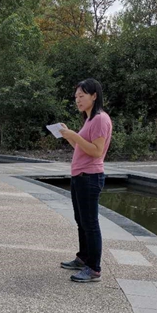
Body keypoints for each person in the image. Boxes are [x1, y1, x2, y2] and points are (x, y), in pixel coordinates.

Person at [59, 78, 113, 283]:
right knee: (81, 220)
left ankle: (94, 268)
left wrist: (74, 135)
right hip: (80, 176)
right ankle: (83, 258)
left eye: (81, 96)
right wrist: (69, 136)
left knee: (90, 223)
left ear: (94, 96)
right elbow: (82, 148)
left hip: (90, 177)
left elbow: (97, 152)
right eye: (76, 97)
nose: (78, 100)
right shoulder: (90, 119)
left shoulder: (100, 119)